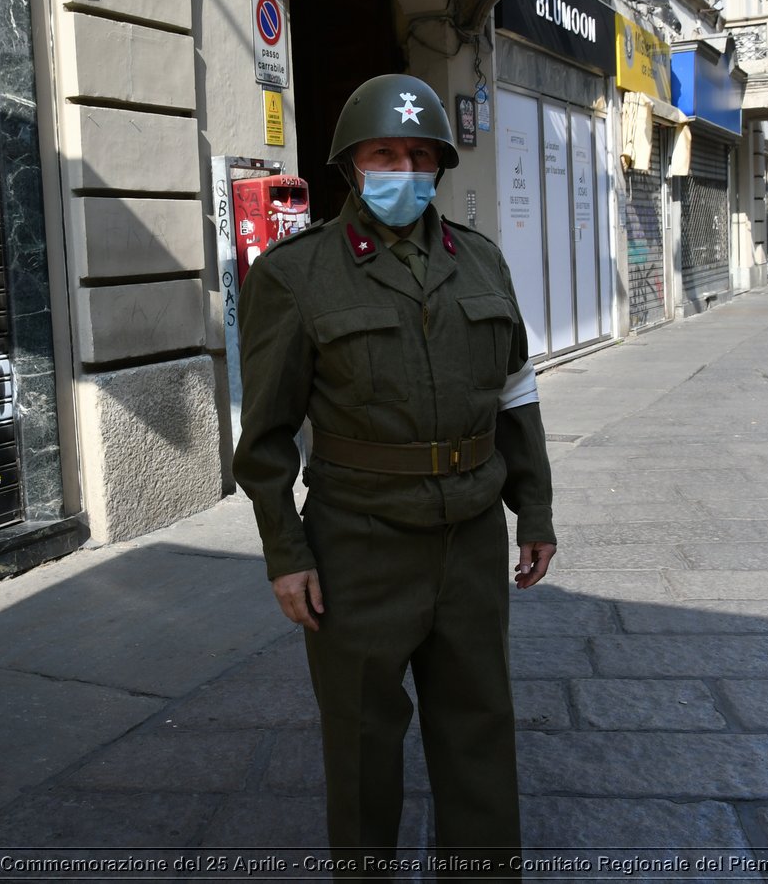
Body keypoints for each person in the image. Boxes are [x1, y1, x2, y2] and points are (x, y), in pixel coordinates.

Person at [233, 73, 556, 874]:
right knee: (362, 745)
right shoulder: (294, 275)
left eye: (420, 155)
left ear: (440, 166)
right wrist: (286, 553)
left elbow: (515, 392)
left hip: (471, 537)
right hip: (358, 544)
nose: (404, 170)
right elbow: (266, 436)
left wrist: (536, 510)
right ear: (352, 165)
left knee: (479, 731)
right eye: (386, 153)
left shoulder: (481, 263)